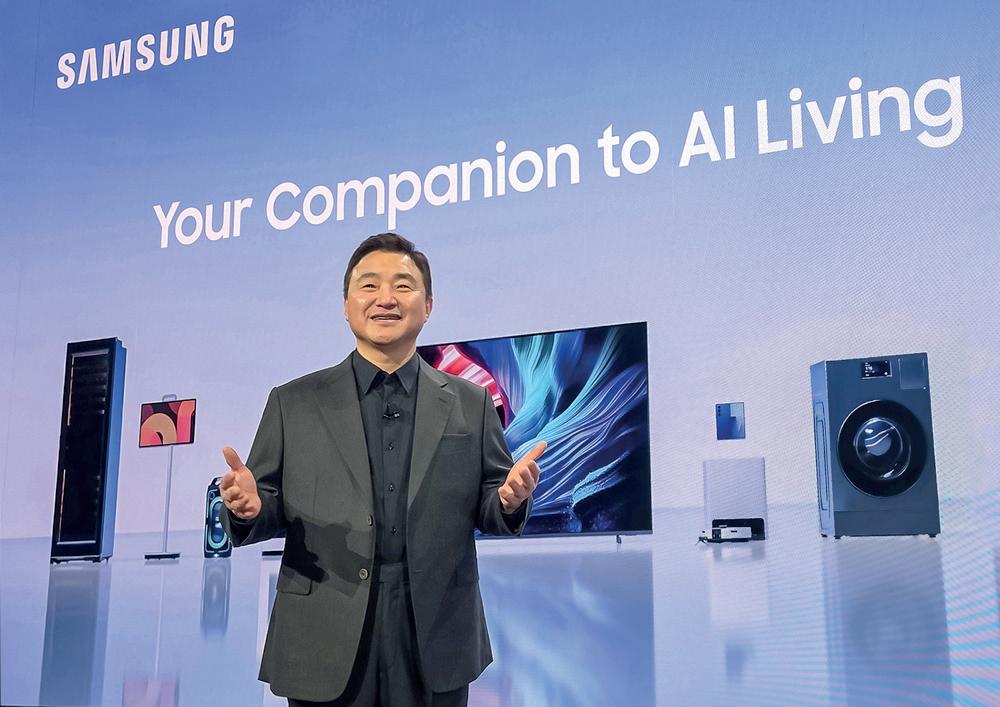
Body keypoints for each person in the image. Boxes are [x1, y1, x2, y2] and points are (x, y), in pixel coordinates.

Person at [218, 232, 545, 706]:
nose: (385, 298)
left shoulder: (471, 402)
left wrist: (510, 500)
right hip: (323, 629)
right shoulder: (293, 402)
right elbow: (266, 504)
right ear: (346, 305)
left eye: (403, 286)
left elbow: (490, 503)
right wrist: (248, 508)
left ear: (428, 306)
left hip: (436, 632)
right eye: (369, 285)